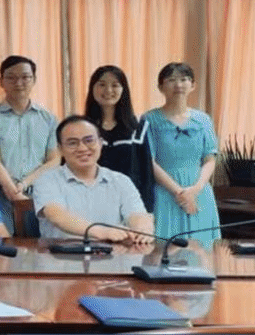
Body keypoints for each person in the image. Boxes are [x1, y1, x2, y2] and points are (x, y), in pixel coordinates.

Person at [33, 116, 154, 245]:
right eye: (72, 143)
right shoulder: (47, 180)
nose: (82, 148)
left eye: (89, 140)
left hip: (112, 255)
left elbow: (137, 214)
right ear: (60, 149)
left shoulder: (121, 181)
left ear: (100, 143)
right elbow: (56, 215)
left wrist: (142, 230)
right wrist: (103, 232)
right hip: (61, 255)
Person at [0, 55, 60, 235]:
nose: (19, 83)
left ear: (34, 80)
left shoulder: (49, 119)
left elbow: (54, 160)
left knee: (40, 244)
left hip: (38, 191)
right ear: (1, 81)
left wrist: (24, 183)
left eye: (25, 77)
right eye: (11, 77)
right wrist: (14, 192)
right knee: (2, 244)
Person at [144, 62, 221, 248]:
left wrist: (195, 189)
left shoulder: (203, 120)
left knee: (202, 251)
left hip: (199, 191)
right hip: (165, 192)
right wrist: (179, 192)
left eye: (184, 79)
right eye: (171, 80)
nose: (178, 85)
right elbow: (149, 161)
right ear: (160, 87)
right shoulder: (149, 119)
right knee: (164, 249)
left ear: (193, 85)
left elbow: (210, 158)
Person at [82, 65, 156, 211]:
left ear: (124, 90)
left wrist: (147, 211)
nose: (108, 90)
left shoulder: (138, 127)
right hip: (89, 204)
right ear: (92, 88)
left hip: (129, 206)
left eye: (115, 85)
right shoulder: (82, 127)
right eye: (102, 84)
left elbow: (146, 174)